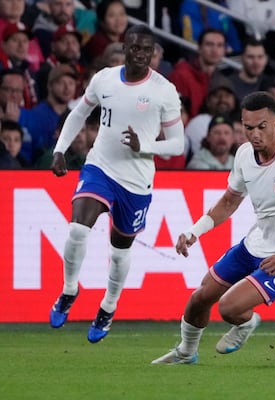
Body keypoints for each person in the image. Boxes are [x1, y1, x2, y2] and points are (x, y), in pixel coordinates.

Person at [151, 91, 275, 365]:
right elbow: (229, 201)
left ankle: (246, 323)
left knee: (229, 308)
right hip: (258, 243)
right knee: (201, 297)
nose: (255, 134)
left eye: (262, 126)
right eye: (248, 128)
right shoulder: (244, 154)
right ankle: (186, 353)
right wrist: (194, 232)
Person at [48, 24, 184, 343]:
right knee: (78, 229)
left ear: (153, 54)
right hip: (100, 166)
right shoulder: (105, 79)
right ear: (124, 48)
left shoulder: (164, 90)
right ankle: (69, 290)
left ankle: (108, 307)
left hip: (136, 181)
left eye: (147, 50)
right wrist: (59, 150)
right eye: (134, 48)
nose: (140, 55)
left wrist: (145, 146)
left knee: (119, 252)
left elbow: (178, 145)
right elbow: (79, 113)